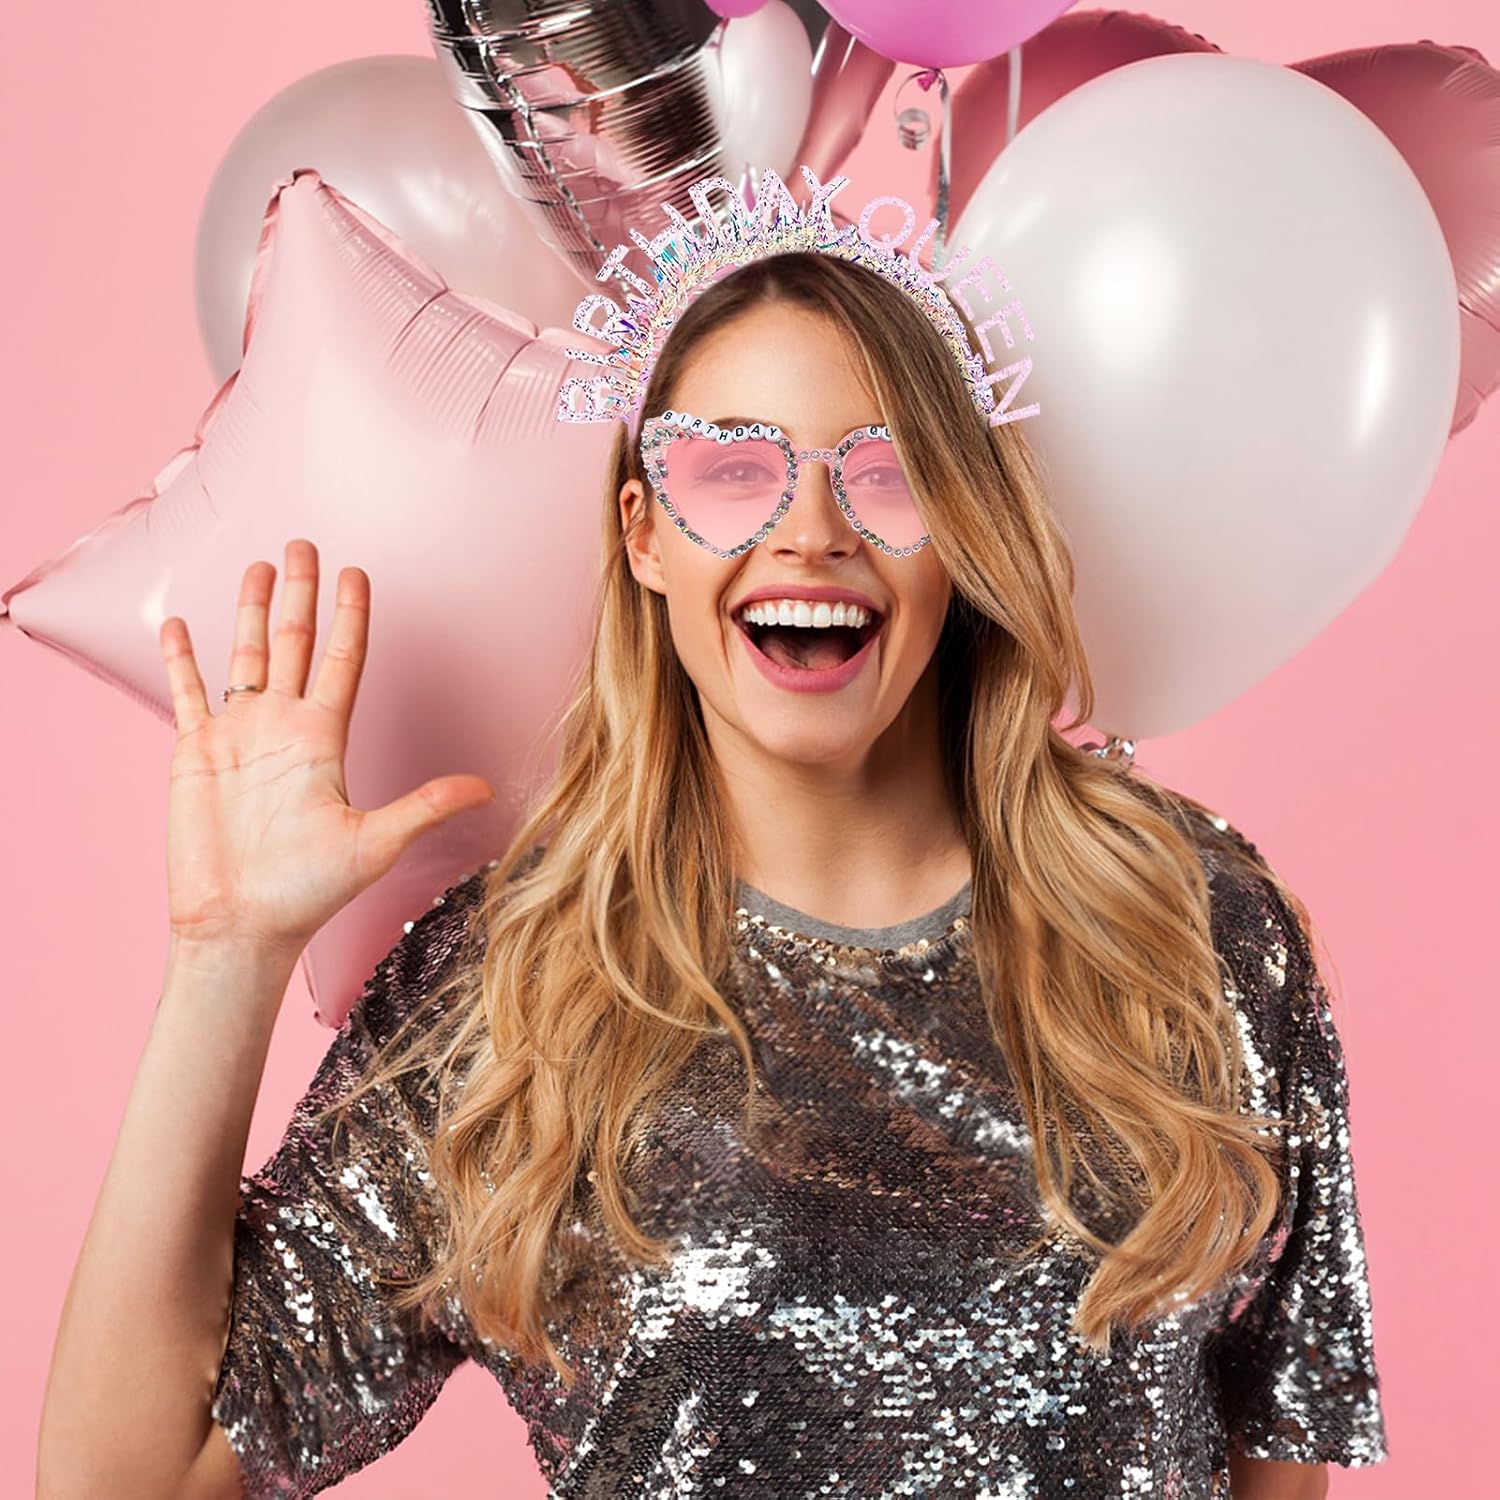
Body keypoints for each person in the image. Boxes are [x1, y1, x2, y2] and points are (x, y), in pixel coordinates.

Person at [39, 230, 1388, 1497]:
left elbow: (1275, 1448)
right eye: (732, 470)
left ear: (963, 531)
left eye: (887, 472)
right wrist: (224, 956)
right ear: (643, 533)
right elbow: (127, 1480)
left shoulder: (1190, 923)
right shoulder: (518, 987)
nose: (812, 530)